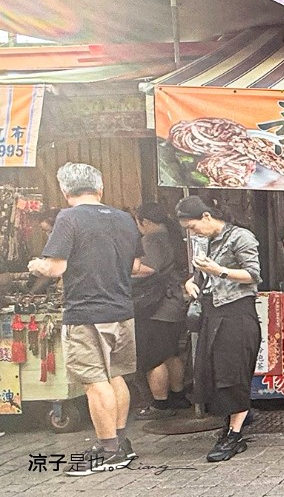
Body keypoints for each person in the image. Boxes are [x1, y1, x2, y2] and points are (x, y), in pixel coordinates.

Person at [27, 163, 142, 474]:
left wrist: (35, 264)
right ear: (100, 188)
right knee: (116, 376)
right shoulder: (123, 219)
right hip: (121, 309)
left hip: (86, 312)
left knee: (95, 382)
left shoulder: (69, 218)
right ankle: (120, 443)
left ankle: (107, 450)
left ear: (65, 191)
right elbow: (134, 267)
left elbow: (55, 268)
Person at [177, 196, 261, 462]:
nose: (192, 233)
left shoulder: (241, 237)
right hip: (212, 313)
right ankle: (230, 426)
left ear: (206, 217)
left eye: (192, 227)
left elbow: (253, 274)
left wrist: (220, 270)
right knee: (212, 372)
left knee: (233, 374)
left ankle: (234, 436)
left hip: (237, 314)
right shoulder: (203, 242)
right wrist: (190, 283)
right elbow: (200, 275)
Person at [133, 202, 191, 419]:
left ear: (145, 222)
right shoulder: (174, 238)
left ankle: (160, 404)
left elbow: (149, 268)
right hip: (175, 304)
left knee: (153, 358)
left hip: (158, 307)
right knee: (171, 354)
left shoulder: (151, 239)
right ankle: (179, 396)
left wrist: (128, 271)